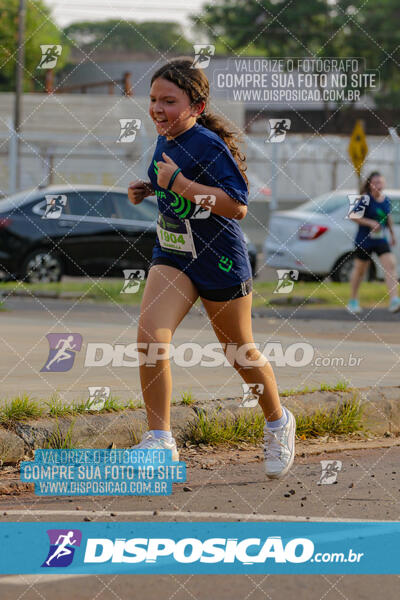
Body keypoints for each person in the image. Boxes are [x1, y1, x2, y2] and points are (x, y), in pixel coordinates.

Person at [127, 58, 295, 479]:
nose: (157, 109)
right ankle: (160, 440)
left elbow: (235, 205)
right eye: (152, 100)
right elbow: (178, 185)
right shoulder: (166, 138)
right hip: (174, 255)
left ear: (196, 106)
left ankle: (277, 420)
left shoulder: (208, 144)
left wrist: (177, 185)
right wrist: (149, 188)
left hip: (219, 260)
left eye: (169, 100)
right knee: (150, 337)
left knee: (240, 352)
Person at [347, 171, 400, 314]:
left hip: (381, 239)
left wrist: (392, 234)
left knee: (391, 265)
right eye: (376, 182)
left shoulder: (386, 200)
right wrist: (370, 222)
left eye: (381, 182)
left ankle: (395, 300)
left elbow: (387, 217)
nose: (379, 185)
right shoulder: (366, 199)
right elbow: (352, 216)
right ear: (370, 184)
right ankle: (353, 300)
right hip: (364, 241)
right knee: (360, 271)